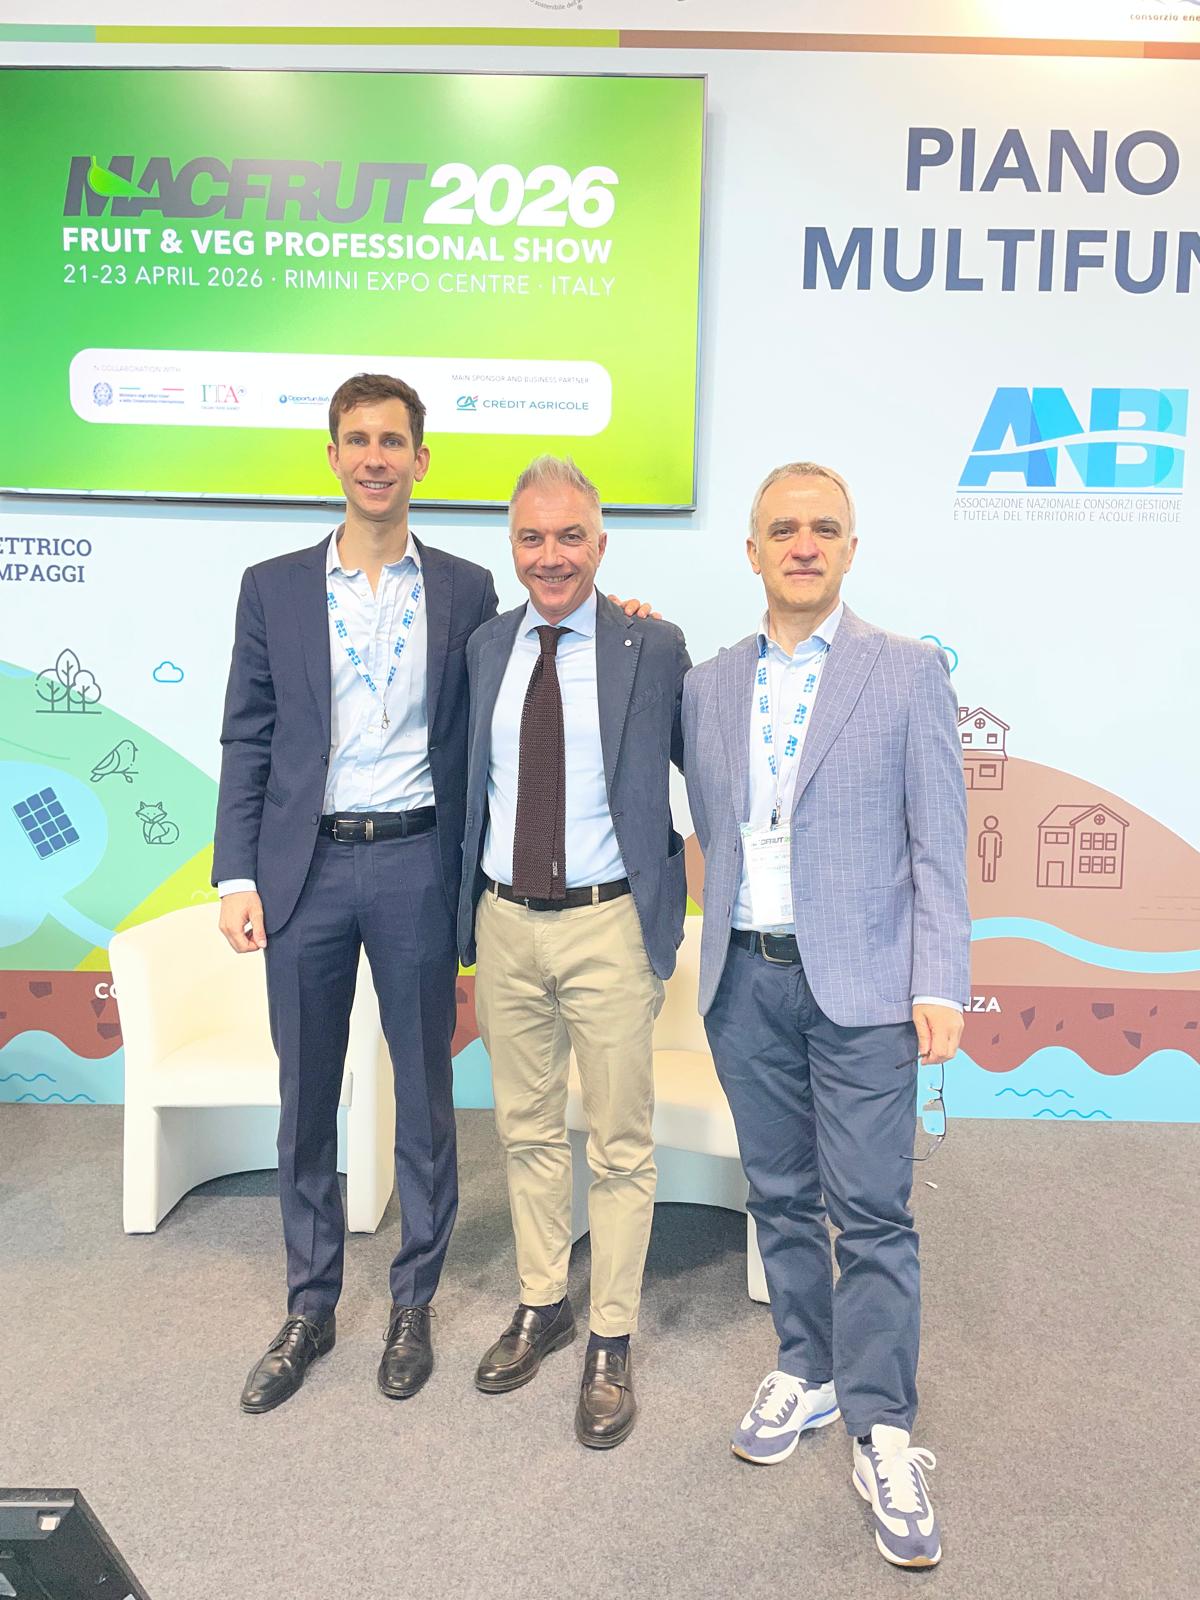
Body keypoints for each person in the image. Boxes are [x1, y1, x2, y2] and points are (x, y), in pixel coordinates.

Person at [681, 462, 969, 1567]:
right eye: (783, 529)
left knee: (874, 1210)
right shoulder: (707, 685)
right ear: (752, 551)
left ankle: (883, 1425)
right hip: (744, 981)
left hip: (864, 985)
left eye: (824, 529)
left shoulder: (907, 672)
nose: (804, 545)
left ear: (850, 548)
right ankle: (806, 1366)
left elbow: (939, 839)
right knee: (780, 1193)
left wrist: (938, 978)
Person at [214, 373, 498, 1413]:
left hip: (419, 863)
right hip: (307, 871)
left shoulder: (467, 590)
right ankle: (311, 1302)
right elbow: (248, 735)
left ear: (422, 459)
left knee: (425, 1095)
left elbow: (510, 698)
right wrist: (237, 872)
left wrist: (623, 620)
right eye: (358, 439)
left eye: (393, 440)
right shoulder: (273, 587)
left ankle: (413, 1298)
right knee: (306, 1098)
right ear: (332, 456)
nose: (376, 457)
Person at [457, 455, 690, 1448]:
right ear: (512, 546)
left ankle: (610, 1334)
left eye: (569, 537)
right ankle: (543, 1299)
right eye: (531, 537)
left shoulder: (653, 644)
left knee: (621, 1140)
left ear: (601, 544)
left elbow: (707, 765)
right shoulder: (485, 646)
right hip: (505, 922)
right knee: (526, 1129)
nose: (550, 556)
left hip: (609, 921)